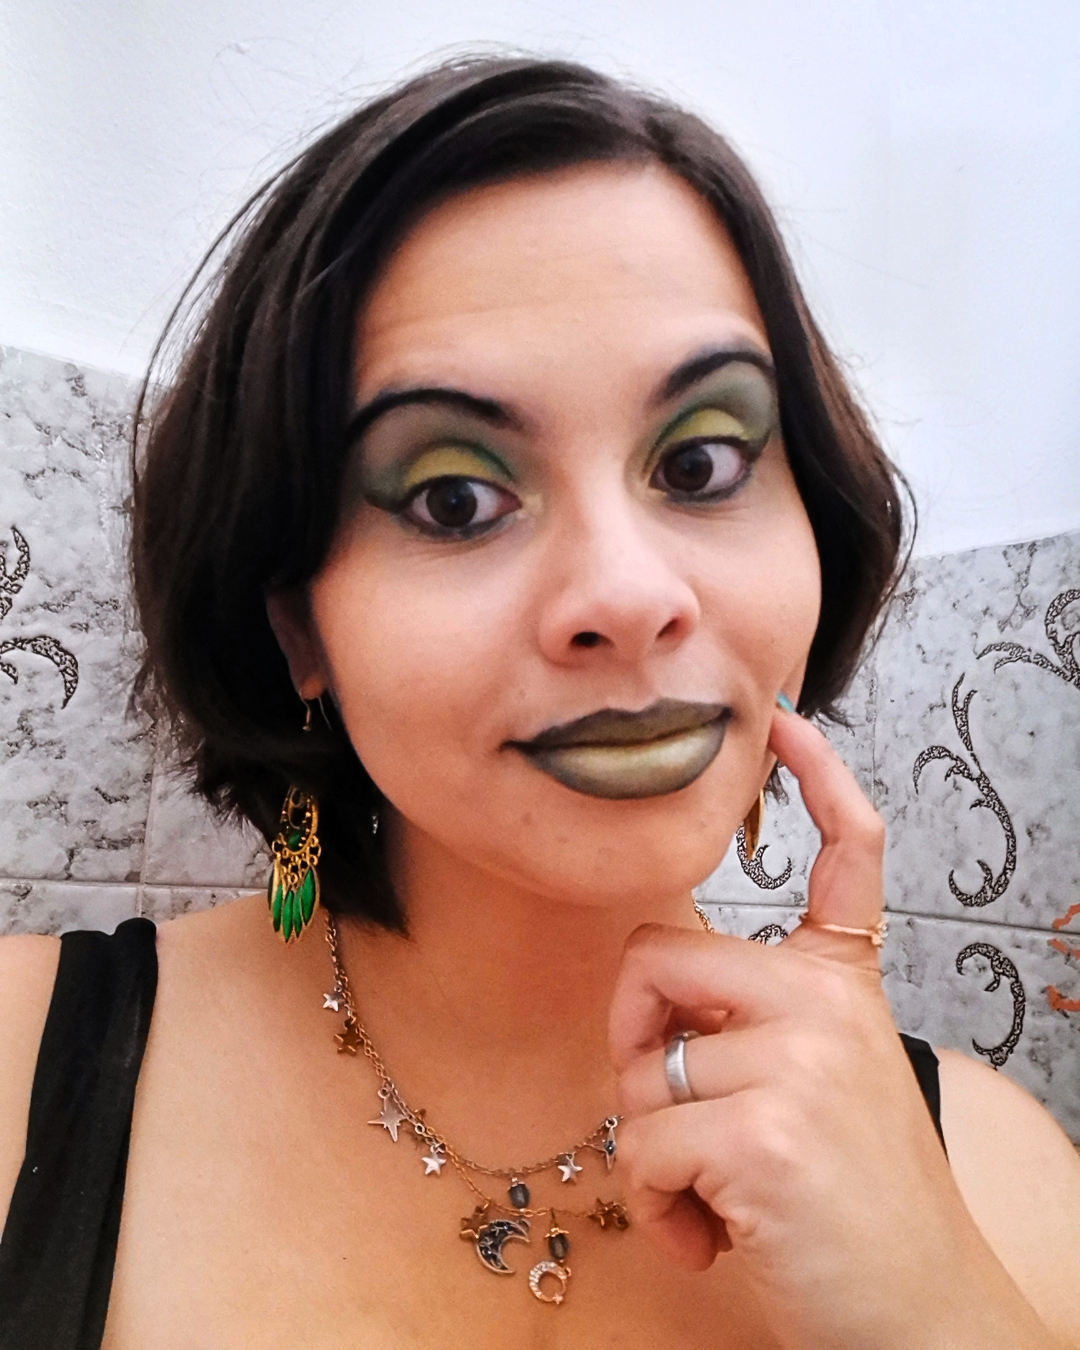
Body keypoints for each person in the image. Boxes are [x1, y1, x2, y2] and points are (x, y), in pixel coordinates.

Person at [0, 55, 1077, 1349]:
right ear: (297, 626)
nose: (629, 594)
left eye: (701, 462)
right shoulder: (16, 1068)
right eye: (455, 498)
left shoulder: (1009, 1185)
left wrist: (937, 1306)